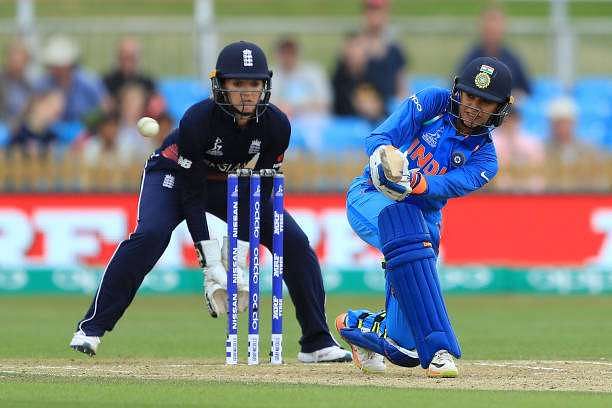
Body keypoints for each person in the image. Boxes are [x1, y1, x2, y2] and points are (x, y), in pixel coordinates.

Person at [69, 41, 351, 364]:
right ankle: (91, 328)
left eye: (255, 84)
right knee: (151, 236)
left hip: (230, 183)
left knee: (294, 243)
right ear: (221, 85)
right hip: (174, 178)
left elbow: (264, 188)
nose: (247, 93)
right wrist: (212, 261)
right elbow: (192, 195)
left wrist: (242, 254)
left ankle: (316, 342)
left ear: (266, 86)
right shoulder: (197, 120)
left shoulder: (276, 125)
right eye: (238, 84)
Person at [336, 56, 513, 377]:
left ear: (499, 108)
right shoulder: (434, 101)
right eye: (471, 96)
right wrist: (386, 160)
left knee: (402, 349)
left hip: (425, 223)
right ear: (459, 91)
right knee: (405, 230)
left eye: (485, 102)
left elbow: (447, 184)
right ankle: (439, 350)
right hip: (372, 197)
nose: (474, 106)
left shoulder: (486, 159)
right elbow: (379, 136)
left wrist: (416, 181)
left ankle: (354, 324)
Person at [457, 4, 531, 97]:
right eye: (489, 29)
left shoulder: (512, 59)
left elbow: (526, 90)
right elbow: (457, 84)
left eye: (495, 29)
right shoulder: (471, 58)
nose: (492, 33)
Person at [37, 35, 108, 122]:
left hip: (86, 131)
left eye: (58, 66)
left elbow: (105, 107)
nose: (54, 70)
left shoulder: (89, 82)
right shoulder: (43, 83)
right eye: (52, 66)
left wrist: (87, 123)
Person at [271, 37, 330, 117]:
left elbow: (324, 101)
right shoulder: (270, 76)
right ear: (277, 55)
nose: (288, 57)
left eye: (291, 53)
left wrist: (298, 107)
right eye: (284, 53)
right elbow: (269, 103)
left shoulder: (314, 73)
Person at [0, 39, 34, 129]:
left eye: (20, 58)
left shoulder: (28, 84)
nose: (16, 61)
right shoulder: (2, 81)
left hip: (21, 127)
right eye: (13, 56)